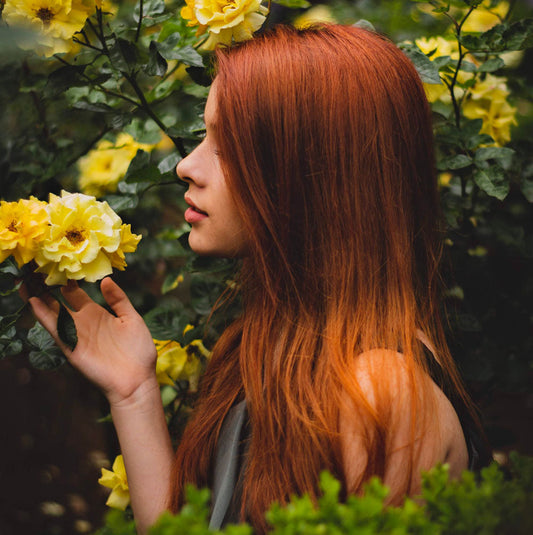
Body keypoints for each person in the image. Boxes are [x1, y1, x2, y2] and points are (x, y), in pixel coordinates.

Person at [27, 24, 491, 535]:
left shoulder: (380, 391)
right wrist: (134, 393)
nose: (186, 165)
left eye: (227, 145)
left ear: (312, 173)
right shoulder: (272, 348)